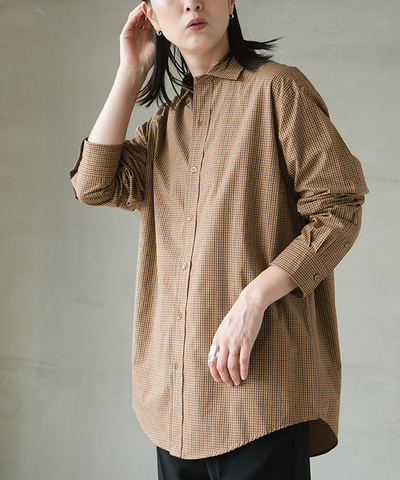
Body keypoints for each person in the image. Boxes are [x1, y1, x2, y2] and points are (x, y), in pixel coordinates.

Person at [70, 1, 368, 478]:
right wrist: (131, 71)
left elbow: (339, 209)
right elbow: (93, 185)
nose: (191, 2)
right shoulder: (166, 125)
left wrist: (254, 299)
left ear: (230, 2)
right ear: (151, 16)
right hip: (176, 400)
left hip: (263, 394)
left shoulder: (278, 89)